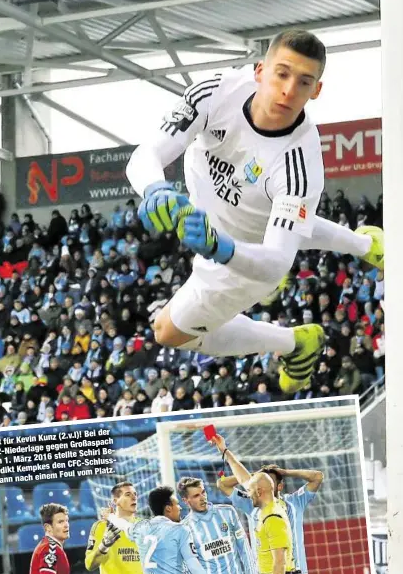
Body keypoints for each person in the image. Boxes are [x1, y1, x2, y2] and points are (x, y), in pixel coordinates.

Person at [126, 29, 384, 395]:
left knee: (167, 331)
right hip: (221, 203)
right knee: (275, 213)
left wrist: (221, 248)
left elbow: (277, 261)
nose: (289, 90)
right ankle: (364, 244)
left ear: (317, 91)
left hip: (244, 255)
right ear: (260, 70)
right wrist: (154, 187)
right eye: (282, 73)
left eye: (304, 82)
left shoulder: (300, 163)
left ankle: (295, 343)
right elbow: (146, 154)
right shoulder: (214, 92)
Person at [218, 462, 323, 574]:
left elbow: (317, 477)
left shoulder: (295, 502)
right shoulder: (252, 504)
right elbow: (223, 484)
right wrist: (257, 475)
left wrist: (286, 472)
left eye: (271, 481)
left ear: (279, 486)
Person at [209, 434, 297, 574]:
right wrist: (224, 451)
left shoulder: (273, 517)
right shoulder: (266, 507)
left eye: (249, 491)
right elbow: (245, 479)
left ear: (260, 491)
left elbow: (279, 561)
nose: (246, 493)